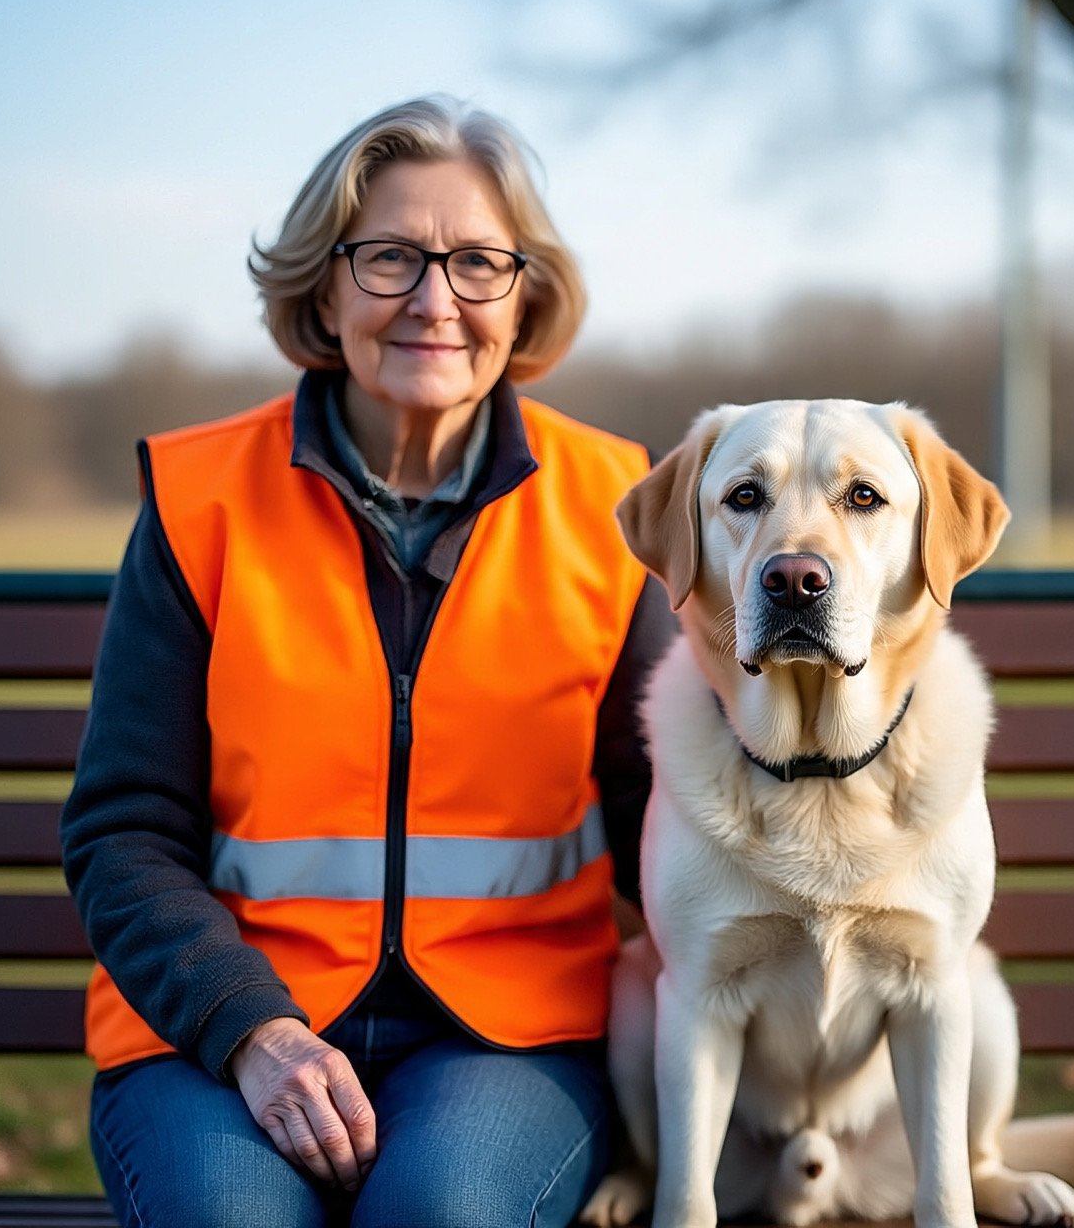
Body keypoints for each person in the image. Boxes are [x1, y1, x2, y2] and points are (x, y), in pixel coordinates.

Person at [60, 95, 674, 1228]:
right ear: (324, 284)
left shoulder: (611, 509)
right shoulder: (203, 505)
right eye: (390, 257)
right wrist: (255, 1030)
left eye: (478, 262)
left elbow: (666, 814)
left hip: (508, 1038)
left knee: (440, 1214)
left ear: (522, 291)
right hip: (222, 1032)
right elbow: (121, 829)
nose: (435, 301)